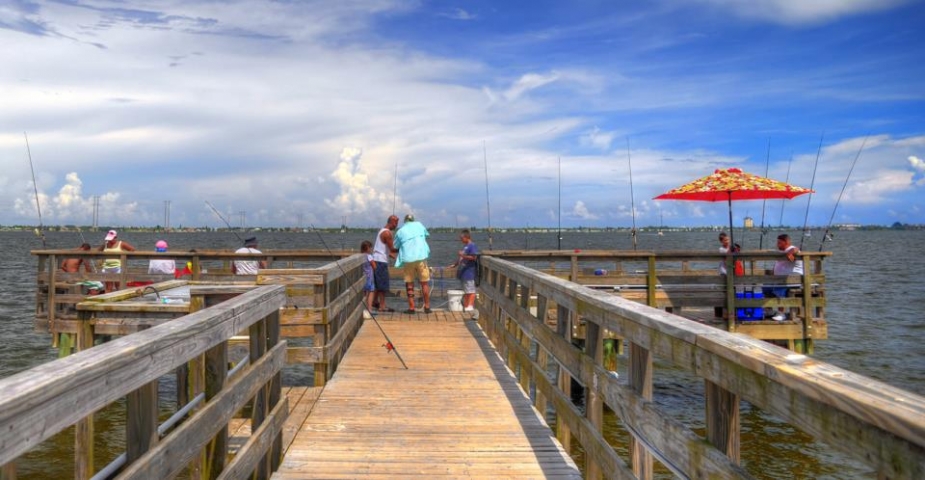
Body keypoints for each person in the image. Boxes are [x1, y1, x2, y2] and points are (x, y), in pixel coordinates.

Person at [394, 214, 431, 314]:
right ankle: (427, 307)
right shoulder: (419, 225)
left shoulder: (400, 231)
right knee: (424, 283)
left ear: (405, 221)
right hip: (421, 258)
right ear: (413, 220)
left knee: (409, 283)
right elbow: (426, 235)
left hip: (408, 259)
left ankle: (411, 308)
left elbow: (395, 246)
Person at [764, 234, 803, 321]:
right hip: (780, 279)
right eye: (777, 242)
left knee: (779, 287)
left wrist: (791, 252)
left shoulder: (791, 249)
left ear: (787, 242)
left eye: (780, 243)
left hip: (793, 280)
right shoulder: (783, 252)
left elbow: (796, 250)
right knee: (765, 287)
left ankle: (781, 313)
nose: (778, 245)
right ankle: (769, 310)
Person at [371, 215, 399, 313]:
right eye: (396, 223)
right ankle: (382, 306)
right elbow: (392, 249)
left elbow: (383, 249)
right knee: (383, 285)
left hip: (377, 259)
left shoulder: (382, 230)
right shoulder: (387, 233)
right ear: (392, 222)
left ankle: (374, 301)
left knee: (378, 284)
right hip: (381, 262)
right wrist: (404, 248)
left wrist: (392, 256)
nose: (396, 225)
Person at [450, 229, 479, 313]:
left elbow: (474, 257)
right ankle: (466, 306)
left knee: (471, 291)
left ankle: (469, 307)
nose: (461, 240)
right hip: (464, 273)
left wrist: (462, 255)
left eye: (462, 238)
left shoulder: (472, 246)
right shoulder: (465, 246)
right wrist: (455, 264)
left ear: (466, 237)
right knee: (466, 291)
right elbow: (462, 258)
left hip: (469, 273)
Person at [360, 240, 377, 315]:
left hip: (362, 277)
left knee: (364, 293)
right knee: (371, 292)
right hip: (369, 278)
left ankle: (362, 309)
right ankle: (369, 309)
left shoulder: (361, 256)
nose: (371, 250)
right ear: (368, 248)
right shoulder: (369, 256)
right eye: (370, 248)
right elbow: (374, 266)